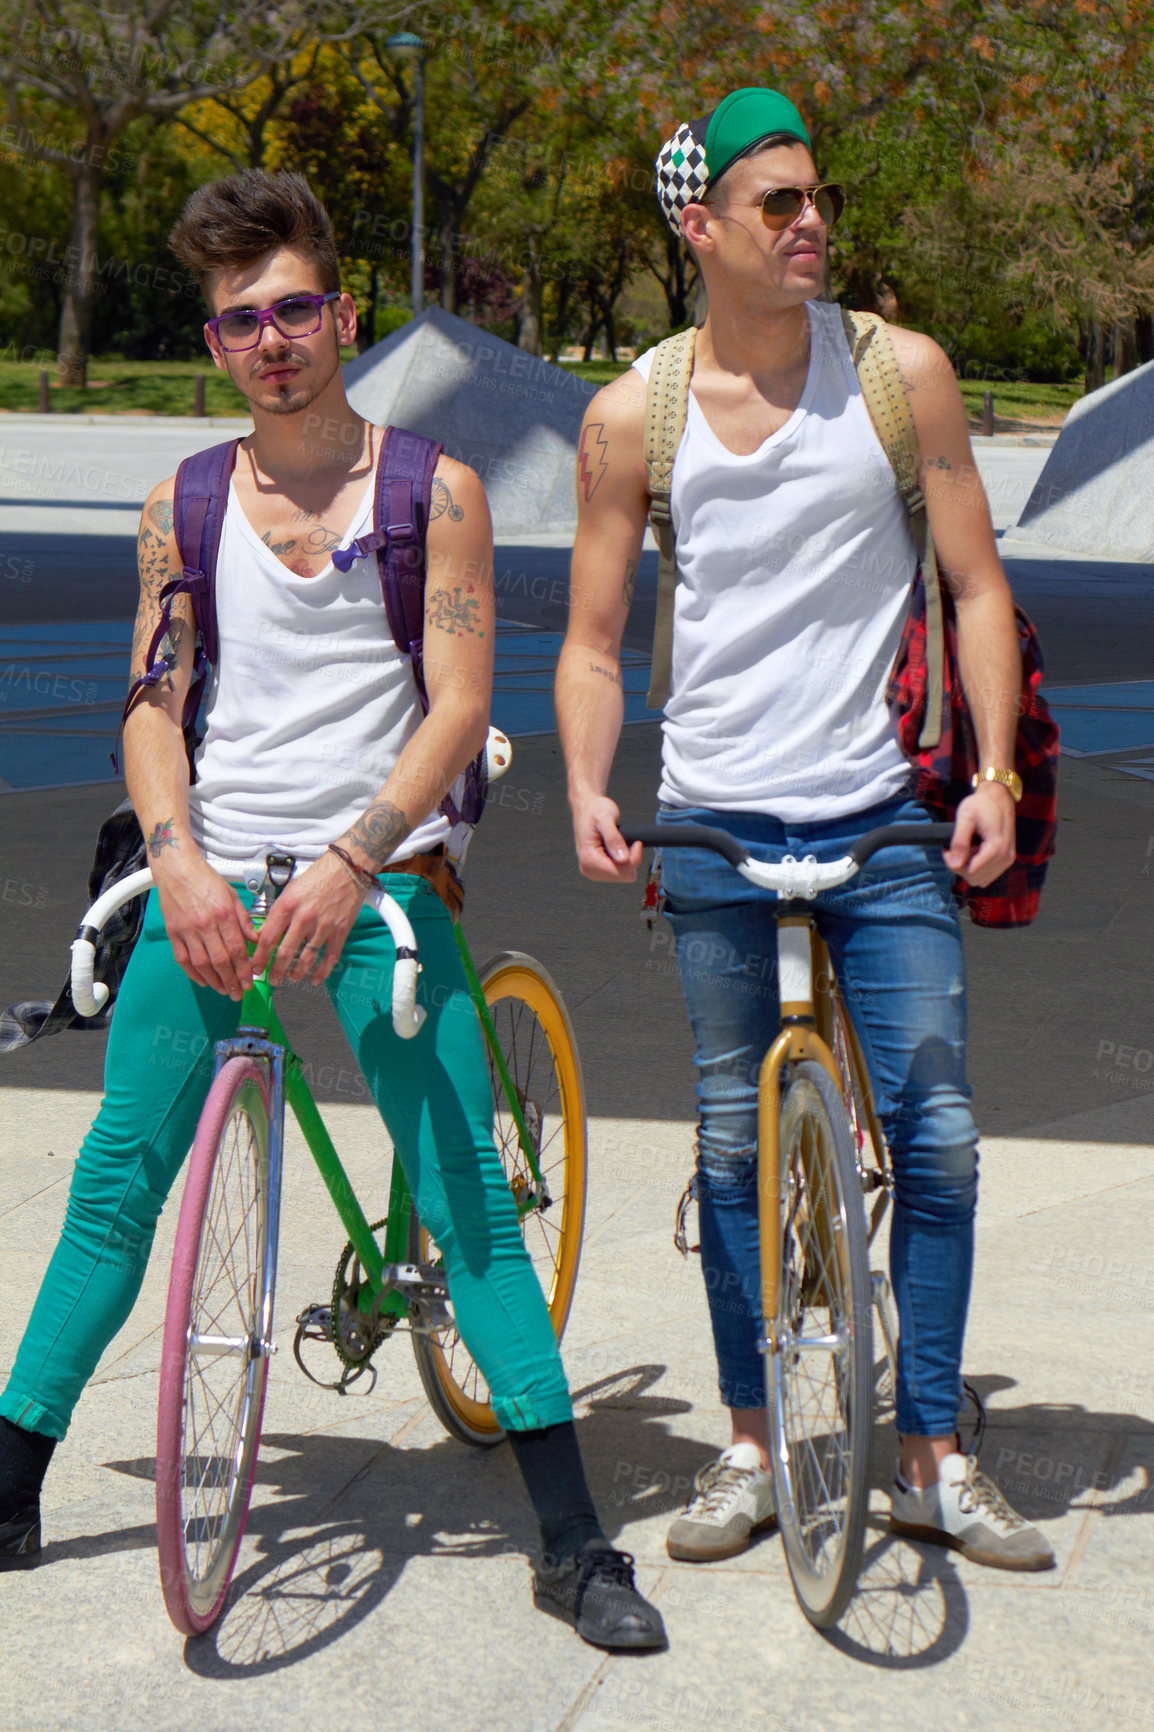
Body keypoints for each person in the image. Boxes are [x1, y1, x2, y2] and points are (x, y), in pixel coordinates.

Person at [0, 169, 665, 1650]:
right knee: (117, 1180)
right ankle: (14, 1474)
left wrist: (357, 858)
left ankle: (570, 1541)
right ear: (217, 343)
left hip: (380, 874)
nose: (274, 338)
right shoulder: (184, 502)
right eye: (243, 320)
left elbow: (461, 705)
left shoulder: (435, 491)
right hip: (216, 873)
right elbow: (151, 703)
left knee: (461, 1204)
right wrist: (172, 857)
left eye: (296, 307)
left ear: (343, 315)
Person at [555, 88, 1055, 1573]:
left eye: (817, 197)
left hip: (883, 806)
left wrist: (989, 777)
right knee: (724, 1148)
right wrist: (589, 786)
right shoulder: (628, 411)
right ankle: (751, 1447)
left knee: (942, 1141)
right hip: (708, 815)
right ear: (699, 227)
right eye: (776, 204)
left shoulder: (900, 376)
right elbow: (588, 644)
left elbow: (972, 588)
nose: (810, 221)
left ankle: (931, 1457)